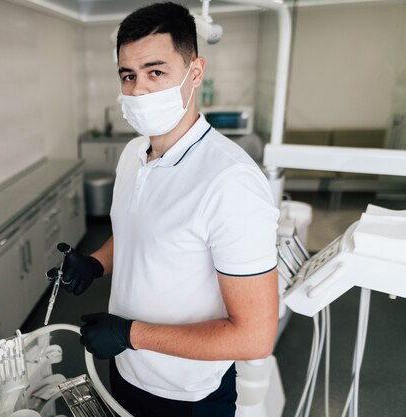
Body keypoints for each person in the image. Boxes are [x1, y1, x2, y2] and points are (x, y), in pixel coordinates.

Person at [48, 3, 280, 416]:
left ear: (195, 73)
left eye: (156, 72)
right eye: (128, 75)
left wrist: (130, 334)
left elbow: (255, 337)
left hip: (187, 392)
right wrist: (96, 264)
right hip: (126, 368)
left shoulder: (230, 183)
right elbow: (139, 231)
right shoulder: (133, 154)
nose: (138, 91)